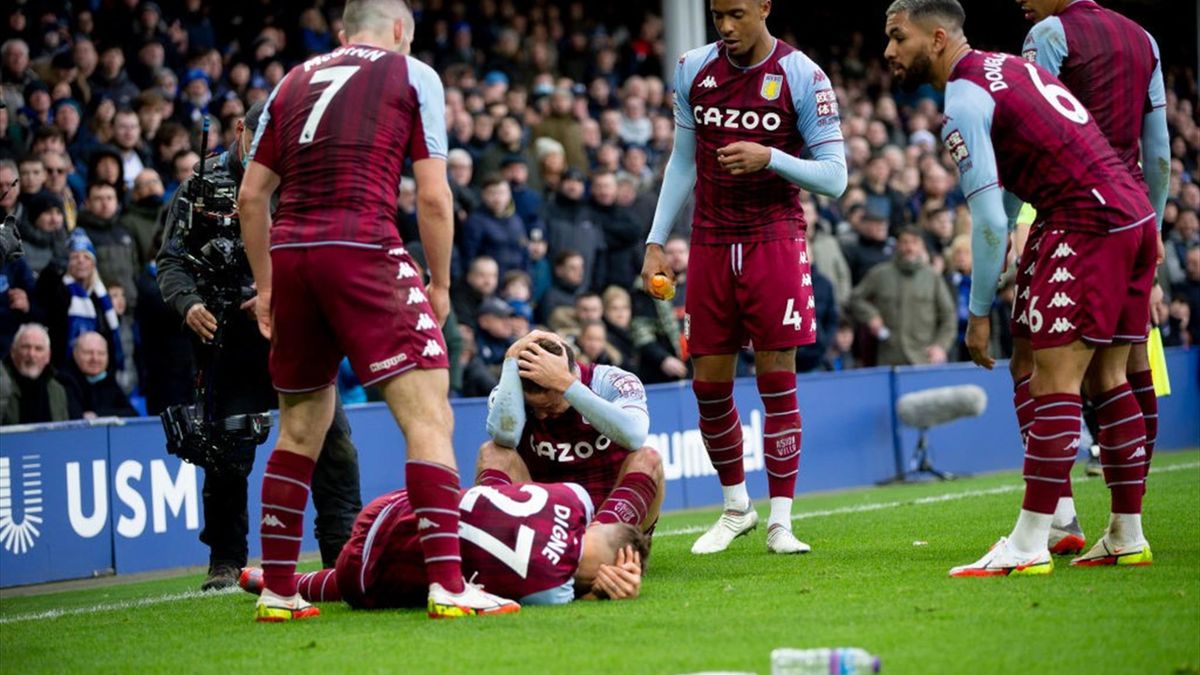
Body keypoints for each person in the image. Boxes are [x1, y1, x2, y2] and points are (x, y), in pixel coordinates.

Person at [240, 0, 517, 621]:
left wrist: (266, 285)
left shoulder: (291, 80)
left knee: (300, 426)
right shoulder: (411, 73)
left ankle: (279, 591)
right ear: (399, 31)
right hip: (362, 246)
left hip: (291, 255)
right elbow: (435, 196)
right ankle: (449, 584)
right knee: (428, 415)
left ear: (343, 33)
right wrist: (441, 284)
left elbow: (251, 196)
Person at [883, 0, 1157, 575]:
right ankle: (1125, 534)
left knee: (1051, 378)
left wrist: (978, 310)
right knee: (1109, 374)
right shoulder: (1011, 65)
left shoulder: (962, 98)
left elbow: (985, 221)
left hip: (1081, 221)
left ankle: (1031, 541)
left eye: (897, 38)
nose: (889, 52)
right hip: (1132, 215)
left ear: (936, 39)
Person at [641, 0, 847, 555]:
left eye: (736, 14)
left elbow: (835, 177)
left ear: (764, 7)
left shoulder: (802, 75)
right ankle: (737, 509)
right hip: (709, 242)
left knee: (776, 380)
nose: (726, 28)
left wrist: (771, 157)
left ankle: (781, 519)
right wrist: (656, 241)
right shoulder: (692, 69)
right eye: (716, 17)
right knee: (708, 386)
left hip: (774, 239)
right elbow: (683, 161)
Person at [158, 102, 362, 592]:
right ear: (240, 130)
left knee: (333, 445)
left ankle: (342, 554)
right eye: (265, 133)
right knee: (227, 453)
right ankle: (226, 563)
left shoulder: (308, 182)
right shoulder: (201, 187)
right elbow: (170, 262)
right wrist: (188, 304)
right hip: (228, 337)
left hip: (296, 333)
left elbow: (327, 256)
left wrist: (281, 297)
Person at [1018, 0, 1171, 556]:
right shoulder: (1144, 38)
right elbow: (1159, 153)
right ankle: (1128, 522)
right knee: (1127, 364)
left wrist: (1023, 217)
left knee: (1029, 355)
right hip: (1135, 214)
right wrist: (1148, 223)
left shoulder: (1050, 34)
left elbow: (1034, 129)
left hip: (1072, 210)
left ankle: (1056, 516)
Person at [238, 481, 649, 608]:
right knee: (414, 580)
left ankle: (273, 579)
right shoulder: (553, 591)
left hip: (393, 504)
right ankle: (277, 581)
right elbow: (562, 583)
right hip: (362, 573)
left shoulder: (574, 496)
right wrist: (597, 594)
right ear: (618, 565)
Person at [477, 331, 664, 533]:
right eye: (534, 407)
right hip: (547, 518)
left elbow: (634, 436)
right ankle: (497, 545)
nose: (541, 415)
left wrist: (567, 385)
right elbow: (506, 436)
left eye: (549, 406)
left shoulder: (611, 380)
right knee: (492, 452)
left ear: (572, 374)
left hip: (613, 514)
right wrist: (511, 357)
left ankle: (598, 540)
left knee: (648, 458)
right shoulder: (510, 390)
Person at [849, 227, 957, 366]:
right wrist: (871, 316)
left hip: (923, 359)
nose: (909, 247)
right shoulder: (880, 274)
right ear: (897, 246)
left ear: (921, 246)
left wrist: (940, 346)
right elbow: (855, 298)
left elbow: (948, 316)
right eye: (905, 242)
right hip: (890, 358)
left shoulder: (932, 277)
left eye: (914, 242)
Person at [1, 323, 75, 424]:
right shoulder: (2, 385)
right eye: (26, 347)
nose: (31, 354)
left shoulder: (58, 391)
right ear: (13, 352)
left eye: (38, 349)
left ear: (48, 356)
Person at [57, 330, 137, 418]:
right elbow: (76, 417)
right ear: (75, 354)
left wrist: (97, 415)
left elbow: (132, 413)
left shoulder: (108, 380)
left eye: (101, 353)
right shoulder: (64, 380)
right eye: (88, 353)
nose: (95, 358)